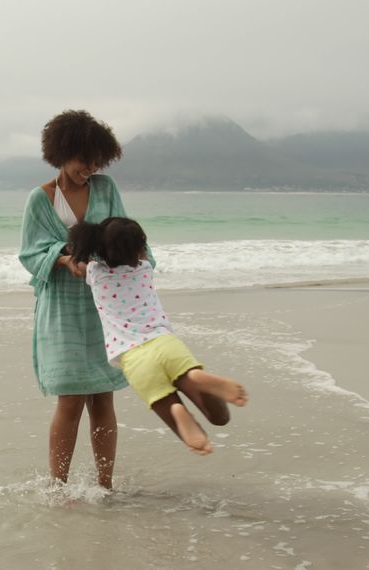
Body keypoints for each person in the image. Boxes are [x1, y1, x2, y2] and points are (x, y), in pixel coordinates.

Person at [18, 110, 138, 489]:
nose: (89, 170)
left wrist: (137, 265)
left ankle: (105, 485)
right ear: (62, 152)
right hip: (62, 308)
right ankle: (59, 487)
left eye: (96, 163)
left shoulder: (106, 188)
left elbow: (125, 235)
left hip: (103, 304)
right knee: (70, 399)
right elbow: (30, 254)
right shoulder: (40, 200)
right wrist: (65, 259)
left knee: (103, 397)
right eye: (83, 162)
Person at [68, 217, 249, 455]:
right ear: (140, 249)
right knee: (220, 417)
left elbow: (77, 263)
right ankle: (195, 377)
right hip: (165, 343)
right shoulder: (144, 268)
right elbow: (136, 252)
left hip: (133, 358)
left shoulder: (95, 273)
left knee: (180, 421)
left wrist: (74, 252)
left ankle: (178, 412)